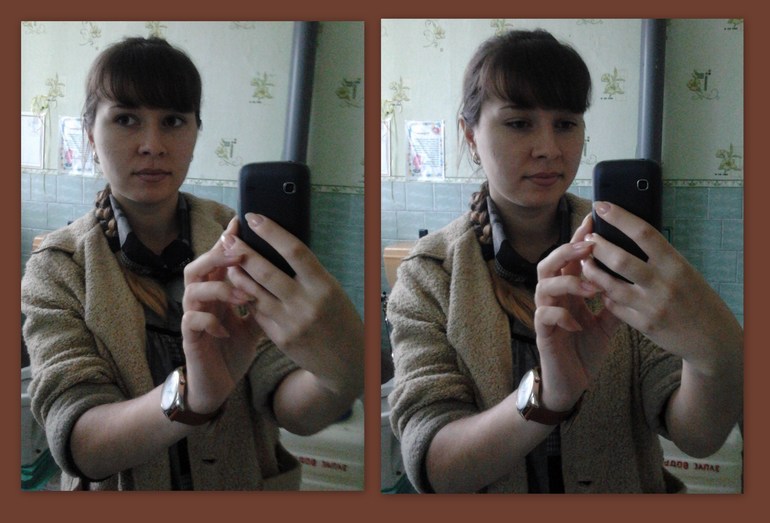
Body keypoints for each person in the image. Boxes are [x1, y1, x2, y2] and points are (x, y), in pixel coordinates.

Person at [386, 29, 743, 494]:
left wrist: (715, 357)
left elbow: (697, 437)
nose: (549, 149)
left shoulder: (623, 253)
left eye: (566, 124)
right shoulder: (429, 273)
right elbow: (434, 466)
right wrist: (548, 396)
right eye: (519, 123)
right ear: (470, 135)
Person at [21, 36, 363, 491]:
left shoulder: (238, 240)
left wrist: (340, 374)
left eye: (173, 121)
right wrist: (194, 395)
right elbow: (79, 442)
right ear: (90, 135)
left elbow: (288, 404)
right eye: (125, 119)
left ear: (195, 132)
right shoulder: (57, 267)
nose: (152, 144)